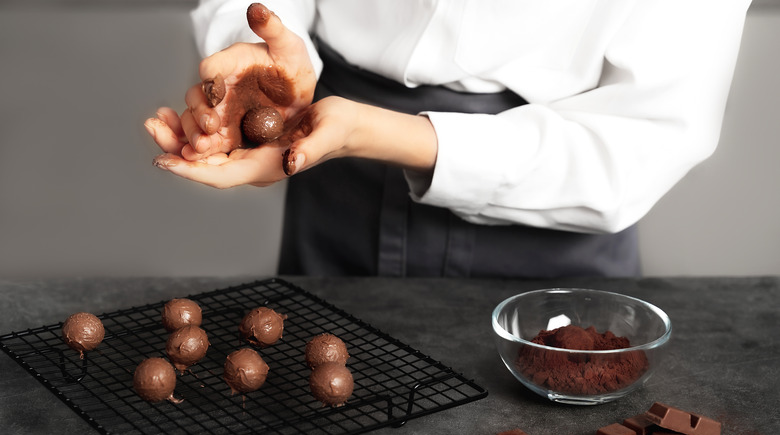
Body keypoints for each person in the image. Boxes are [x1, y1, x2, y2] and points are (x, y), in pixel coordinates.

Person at [145, 0, 752, 277]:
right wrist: (257, 50)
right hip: (330, 170)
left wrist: (379, 133)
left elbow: (644, 142)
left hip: (549, 208)